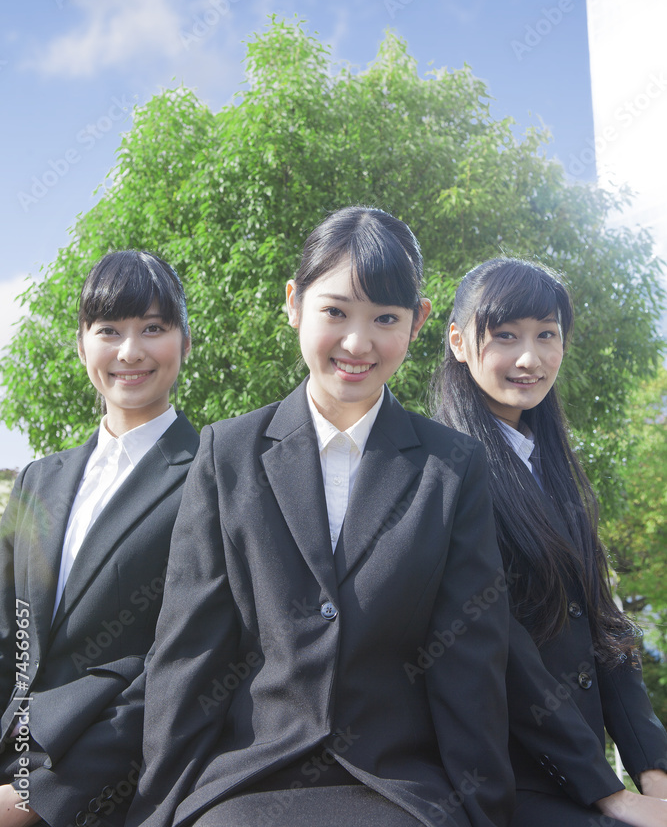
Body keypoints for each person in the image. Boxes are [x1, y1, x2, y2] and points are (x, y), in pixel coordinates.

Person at [128, 206, 514, 827]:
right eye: (335, 312)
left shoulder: (452, 466)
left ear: (417, 323)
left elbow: (470, 660)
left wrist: (484, 812)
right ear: (294, 304)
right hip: (249, 780)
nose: (357, 344)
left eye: (385, 319)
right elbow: (188, 651)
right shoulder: (228, 454)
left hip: (396, 786)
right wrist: (158, 812)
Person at [431, 256, 667, 827]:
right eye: (506, 336)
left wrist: (653, 770)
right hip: (500, 781)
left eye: (546, 335)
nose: (529, 358)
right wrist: (607, 793)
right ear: (459, 342)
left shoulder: (550, 463)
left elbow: (605, 626)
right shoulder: (441, 472)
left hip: (575, 779)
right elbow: (501, 647)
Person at [0, 251, 199, 827]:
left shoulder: (213, 477)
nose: (130, 351)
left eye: (153, 328)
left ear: (185, 343)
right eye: (109, 330)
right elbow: (8, 631)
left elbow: (184, 669)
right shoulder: (39, 478)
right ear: (82, 345)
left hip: (104, 787)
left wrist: (36, 798)